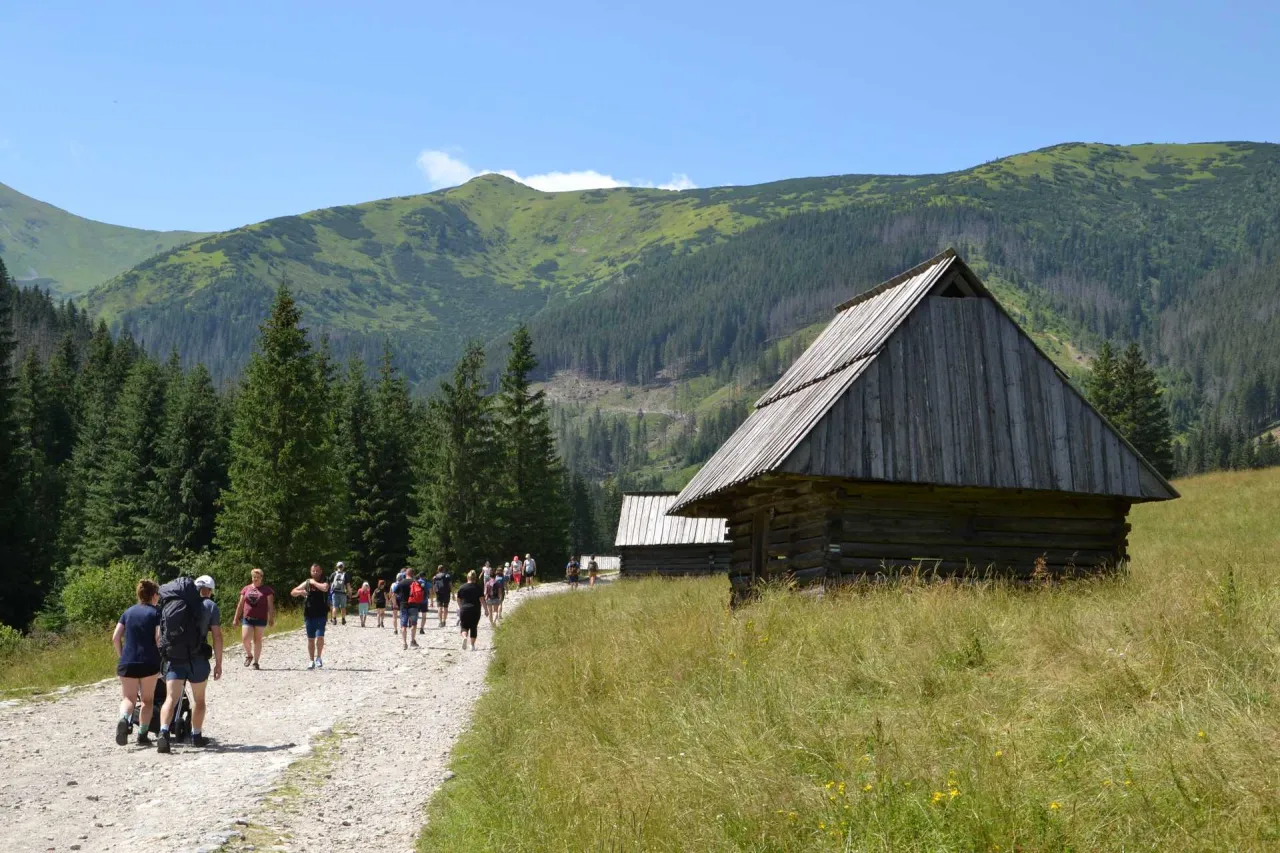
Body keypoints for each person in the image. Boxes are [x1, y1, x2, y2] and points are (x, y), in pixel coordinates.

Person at [157, 575, 224, 753]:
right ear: (209, 591)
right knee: (199, 700)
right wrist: (218, 663)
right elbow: (217, 636)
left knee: (171, 698)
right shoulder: (210, 606)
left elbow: (161, 634)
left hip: (175, 658)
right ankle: (196, 735)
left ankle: (163, 732)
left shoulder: (174, 604)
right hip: (197, 660)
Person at [113, 579, 161, 746]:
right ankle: (142, 734)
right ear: (154, 596)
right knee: (147, 700)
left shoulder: (128, 612)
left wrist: (122, 655)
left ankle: (124, 719)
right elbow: (158, 638)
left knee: (128, 698)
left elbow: (115, 637)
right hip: (149, 662)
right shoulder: (156, 613)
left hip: (128, 661)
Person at [232, 568, 274, 669]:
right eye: (254, 577)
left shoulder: (267, 590)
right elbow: (240, 604)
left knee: (257, 640)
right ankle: (249, 655)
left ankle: (256, 662)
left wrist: (271, 618)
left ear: (261, 578)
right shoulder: (246, 589)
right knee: (245, 639)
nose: (255, 579)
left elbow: (270, 606)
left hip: (261, 618)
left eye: (257, 577)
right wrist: (236, 618)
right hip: (247, 618)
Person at [291, 564, 330, 669]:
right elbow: (293, 592)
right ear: (310, 571)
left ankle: (319, 657)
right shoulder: (307, 582)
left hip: (321, 613)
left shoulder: (325, 580)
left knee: (320, 636)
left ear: (321, 571)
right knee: (310, 639)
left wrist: (314, 583)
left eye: (317, 571)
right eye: (313, 571)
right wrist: (300, 592)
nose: (315, 573)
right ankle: (311, 660)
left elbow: (325, 588)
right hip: (309, 614)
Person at [394, 568, 423, 650]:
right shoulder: (416, 582)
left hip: (403, 605)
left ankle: (404, 643)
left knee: (403, 625)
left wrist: (395, 603)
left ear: (405, 574)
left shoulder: (401, 582)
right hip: (414, 605)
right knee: (414, 624)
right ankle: (412, 641)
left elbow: (393, 593)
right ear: (413, 574)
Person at [456, 570, 483, 651]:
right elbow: (482, 600)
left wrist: (461, 607)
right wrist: (486, 610)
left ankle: (464, 637)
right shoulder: (478, 587)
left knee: (464, 626)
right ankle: (472, 645)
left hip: (464, 609)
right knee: (473, 627)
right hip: (475, 609)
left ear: (467, 577)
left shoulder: (462, 587)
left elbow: (458, 599)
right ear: (475, 578)